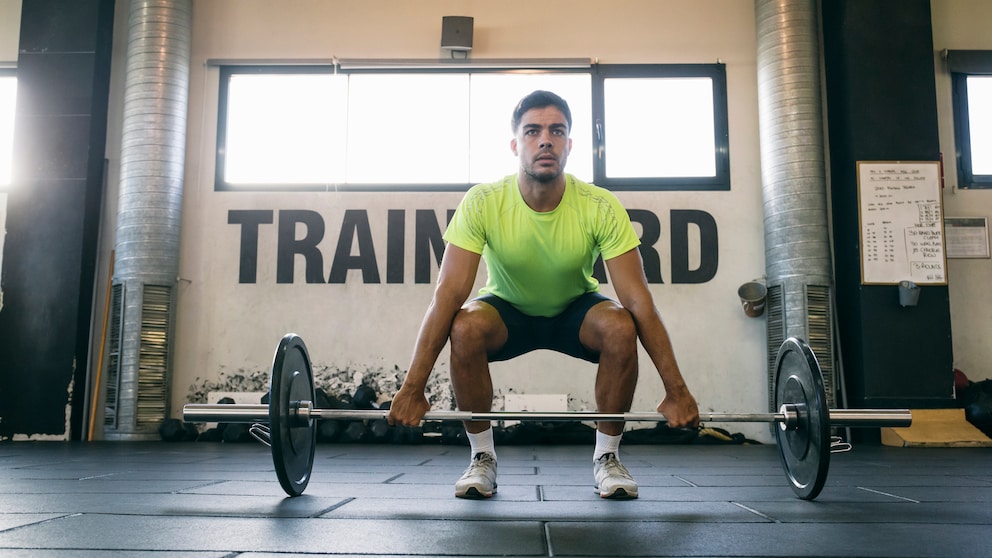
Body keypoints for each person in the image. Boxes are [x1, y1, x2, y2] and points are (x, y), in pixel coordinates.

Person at [387, 90, 699, 500]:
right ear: (516, 144)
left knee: (622, 325)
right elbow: (446, 295)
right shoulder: (483, 202)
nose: (545, 140)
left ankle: (607, 457)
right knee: (463, 326)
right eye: (533, 131)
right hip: (508, 312)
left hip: (575, 311)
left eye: (557, 131)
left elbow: (640, 302)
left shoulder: (600, 206)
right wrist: (413, 388)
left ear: (570, 144)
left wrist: (676, 389)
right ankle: (482, 458)